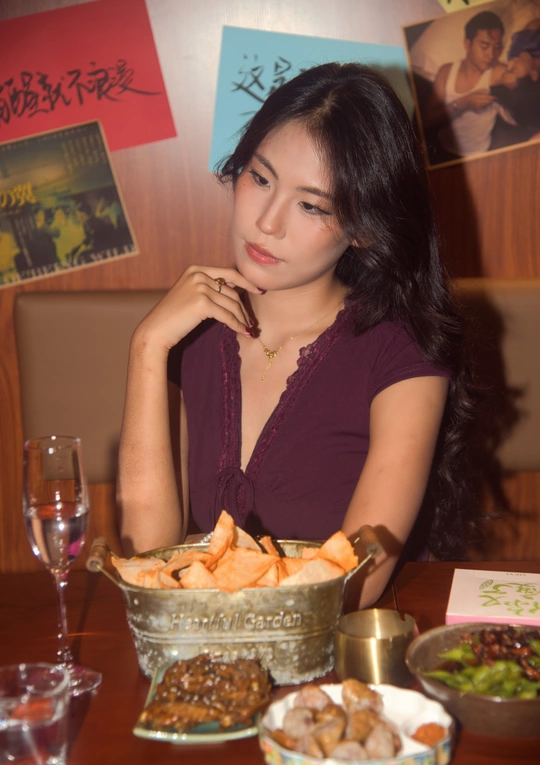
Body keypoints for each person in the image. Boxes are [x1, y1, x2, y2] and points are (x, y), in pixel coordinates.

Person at [117, 62, 476, 608]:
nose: (267, 223)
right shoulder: (189, 335)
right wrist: (146, 347)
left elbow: (355, 583)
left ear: (364, 228)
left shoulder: (401, 351)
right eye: (260, 178)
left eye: (311, 205)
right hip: (208, 647)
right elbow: (147, 560)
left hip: (344, 651)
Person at [424, 10, 509, 159]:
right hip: (442, 149)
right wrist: (464, 103)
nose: (491, 55)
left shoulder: (498, 72)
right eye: (484, 46)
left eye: (497, 47)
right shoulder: (447, 71)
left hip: (478, 155)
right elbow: (427, 120)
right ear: (467, 44)